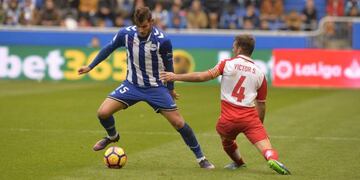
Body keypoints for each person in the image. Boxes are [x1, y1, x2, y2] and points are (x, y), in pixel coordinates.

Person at [77, 6, 214, 169]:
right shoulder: (125, 34)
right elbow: (108, 48)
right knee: (102, 113)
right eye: (138, 26)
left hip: (156, 88)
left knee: (178, 122)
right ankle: (112, 136)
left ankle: (201, 158)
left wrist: (170, 89)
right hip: (132, 85)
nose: (141, 30)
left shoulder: (162, 41)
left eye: (144, 26)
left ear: (151, 22)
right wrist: (90, 66)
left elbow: (169, 66)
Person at [160, 35, 291, 175]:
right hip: (250, 118)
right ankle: (271, 158)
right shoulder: (260, 73)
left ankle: (239, 162)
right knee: (266, 146)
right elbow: (261, 104)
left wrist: (175, 76)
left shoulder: (227, 64)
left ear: (239, 48)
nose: (232, 48)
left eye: (234, 45)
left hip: (228, 119)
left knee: (226, 139)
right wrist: (259, 124)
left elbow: (202, 76)